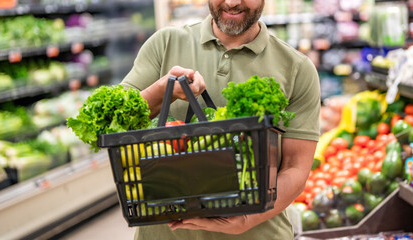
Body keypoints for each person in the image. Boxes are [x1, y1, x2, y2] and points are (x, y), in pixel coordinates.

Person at [120, 0, 320, 239]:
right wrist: (162, 90)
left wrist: (248, 219)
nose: (233, 2)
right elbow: (114, 122)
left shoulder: (297, 68)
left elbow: (296, 167)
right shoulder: (165, 44)